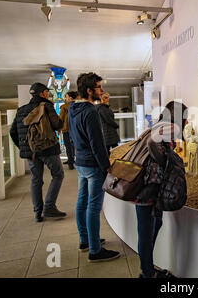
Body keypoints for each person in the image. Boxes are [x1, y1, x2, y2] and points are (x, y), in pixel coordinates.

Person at [126, 100, 188, 278]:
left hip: (147, 186)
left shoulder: (159, 125)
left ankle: (148, 268)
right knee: (146, 231)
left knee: (154, 225)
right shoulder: (168, 127)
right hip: (147, 187)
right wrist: (166, 162)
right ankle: (147, 273)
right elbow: (153, 144)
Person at [68, 72, 120, 262]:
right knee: (93, 206)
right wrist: (106, 166)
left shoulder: (72, 108)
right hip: (92, 164)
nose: (102, 90)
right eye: (99, 87)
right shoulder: (90, 111)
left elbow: (73, 138)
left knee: (82, 202)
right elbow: (97, 143)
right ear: (89, 90)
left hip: (81, 162)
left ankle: (86, 240)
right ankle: (95, 250)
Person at [10, 82, 66, 222]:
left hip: (31, 152)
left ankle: (37, 212)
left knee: (36, 180)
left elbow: (13, 132)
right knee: (58, 174)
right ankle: (49, 207)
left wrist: (25, 147)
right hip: (47, 149)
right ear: (42, 93)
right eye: (47, 92)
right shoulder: (46, 106)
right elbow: (57, 125)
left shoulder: (21, 110)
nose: (48, 94)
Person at [59, 91, 78, 170]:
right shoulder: (78, 106)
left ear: (70, 98)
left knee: (68, 146)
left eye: (66, 97)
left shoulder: (64, 107)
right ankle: (72, 160)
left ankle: (70, 162)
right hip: (75, 129)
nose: (65, 98)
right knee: (74, 146)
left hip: (66, 129)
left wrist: (58, 128)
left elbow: (61, 119)